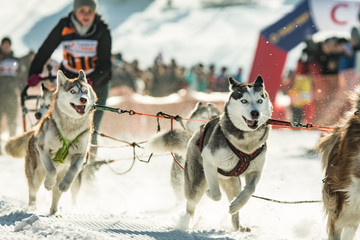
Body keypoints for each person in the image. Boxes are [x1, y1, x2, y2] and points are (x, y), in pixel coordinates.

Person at [26, 0, 112, 167]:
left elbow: (105, 63)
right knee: (61, 123)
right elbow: (46, 49)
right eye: (82, 10)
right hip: (70, 83)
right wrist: (34, 72)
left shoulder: (102, 29)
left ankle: (87, 167)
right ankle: (60, 162)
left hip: (97, 84)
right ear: (75, 11)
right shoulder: (65, 25)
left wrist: (92, 80)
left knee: (90, 126)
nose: (86, 15)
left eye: (90, 11)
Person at [0, 36, 20, 154]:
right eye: (4, 45)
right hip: (0, 94)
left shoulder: (15, 60)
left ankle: (12, 145)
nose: (6, 47)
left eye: (8, 45)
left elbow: (21, 75)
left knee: (12, 119)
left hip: (11, 94)